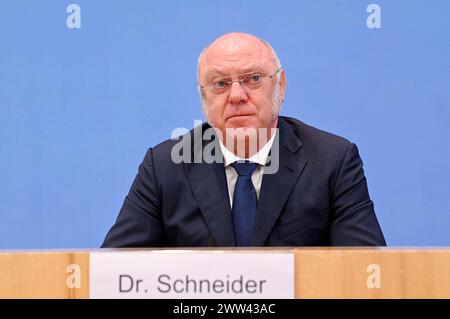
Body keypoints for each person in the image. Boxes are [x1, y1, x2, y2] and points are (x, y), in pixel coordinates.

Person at [102, 32, 386, 247]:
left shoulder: (332, 160)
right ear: (203, 97)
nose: (236, 96)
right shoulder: (164, 166)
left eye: (252, 79)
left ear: (280, 85)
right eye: (221, 84)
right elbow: (114, 274)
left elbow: (365, 273)